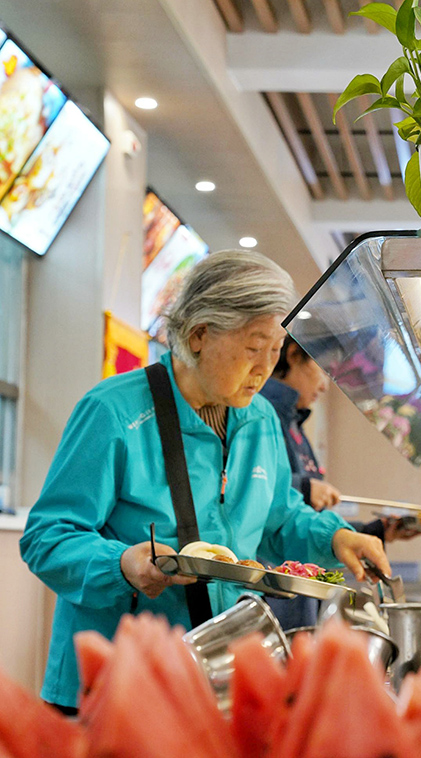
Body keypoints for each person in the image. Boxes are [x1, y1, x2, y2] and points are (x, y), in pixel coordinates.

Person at [20, 250, 390, 712]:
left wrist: (335, 536)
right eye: (255, 348)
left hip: (214, 677)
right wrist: (121, 564)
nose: (265, 367)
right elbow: (47, 537)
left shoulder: (259, 419)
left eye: (275, 351)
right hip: (113, 680)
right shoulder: (113, 411)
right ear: (198, 335)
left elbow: (278, 519)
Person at [260, 335, 416, 628]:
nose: (324, 385)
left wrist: (370, 532)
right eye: (324, 369)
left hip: (302, 594)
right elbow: (264, 502)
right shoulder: (259, 415)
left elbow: (300, 518)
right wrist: (304, 487)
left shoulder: (292, 421)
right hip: (273, 603)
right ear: (293, 355)